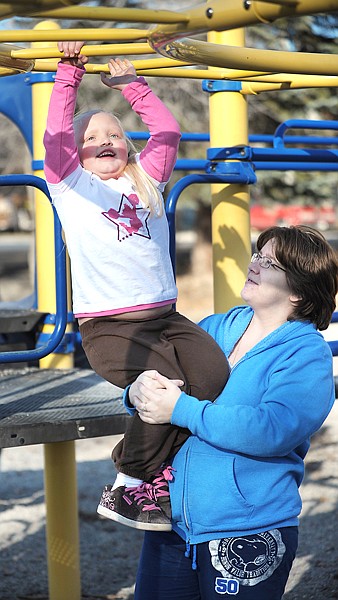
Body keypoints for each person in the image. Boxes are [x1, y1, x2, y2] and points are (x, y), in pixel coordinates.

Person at [43, 41, 229, 532]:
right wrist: (69, 76)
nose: (105, 140)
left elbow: (167, 131)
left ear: (128, 146)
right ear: (76, 153)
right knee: (162, 388)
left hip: (165, 317)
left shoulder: (145, 181)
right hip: (110, 327)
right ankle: (131, 481)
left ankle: (152, 472)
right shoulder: (72, 187)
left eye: (115, 133)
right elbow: (57, 136)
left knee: (212, 376)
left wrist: (133, 88)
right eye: (92, 136)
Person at [127, 224, 338, 600]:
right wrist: (136, 390)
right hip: (172, 521)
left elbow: (273, 429)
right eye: (258, 255)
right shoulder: (214, 328)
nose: (254, 264)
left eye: (270, 263)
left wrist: (183, 410)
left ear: (299, 290)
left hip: (247, 529)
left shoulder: (306, 354)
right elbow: (158, 380)